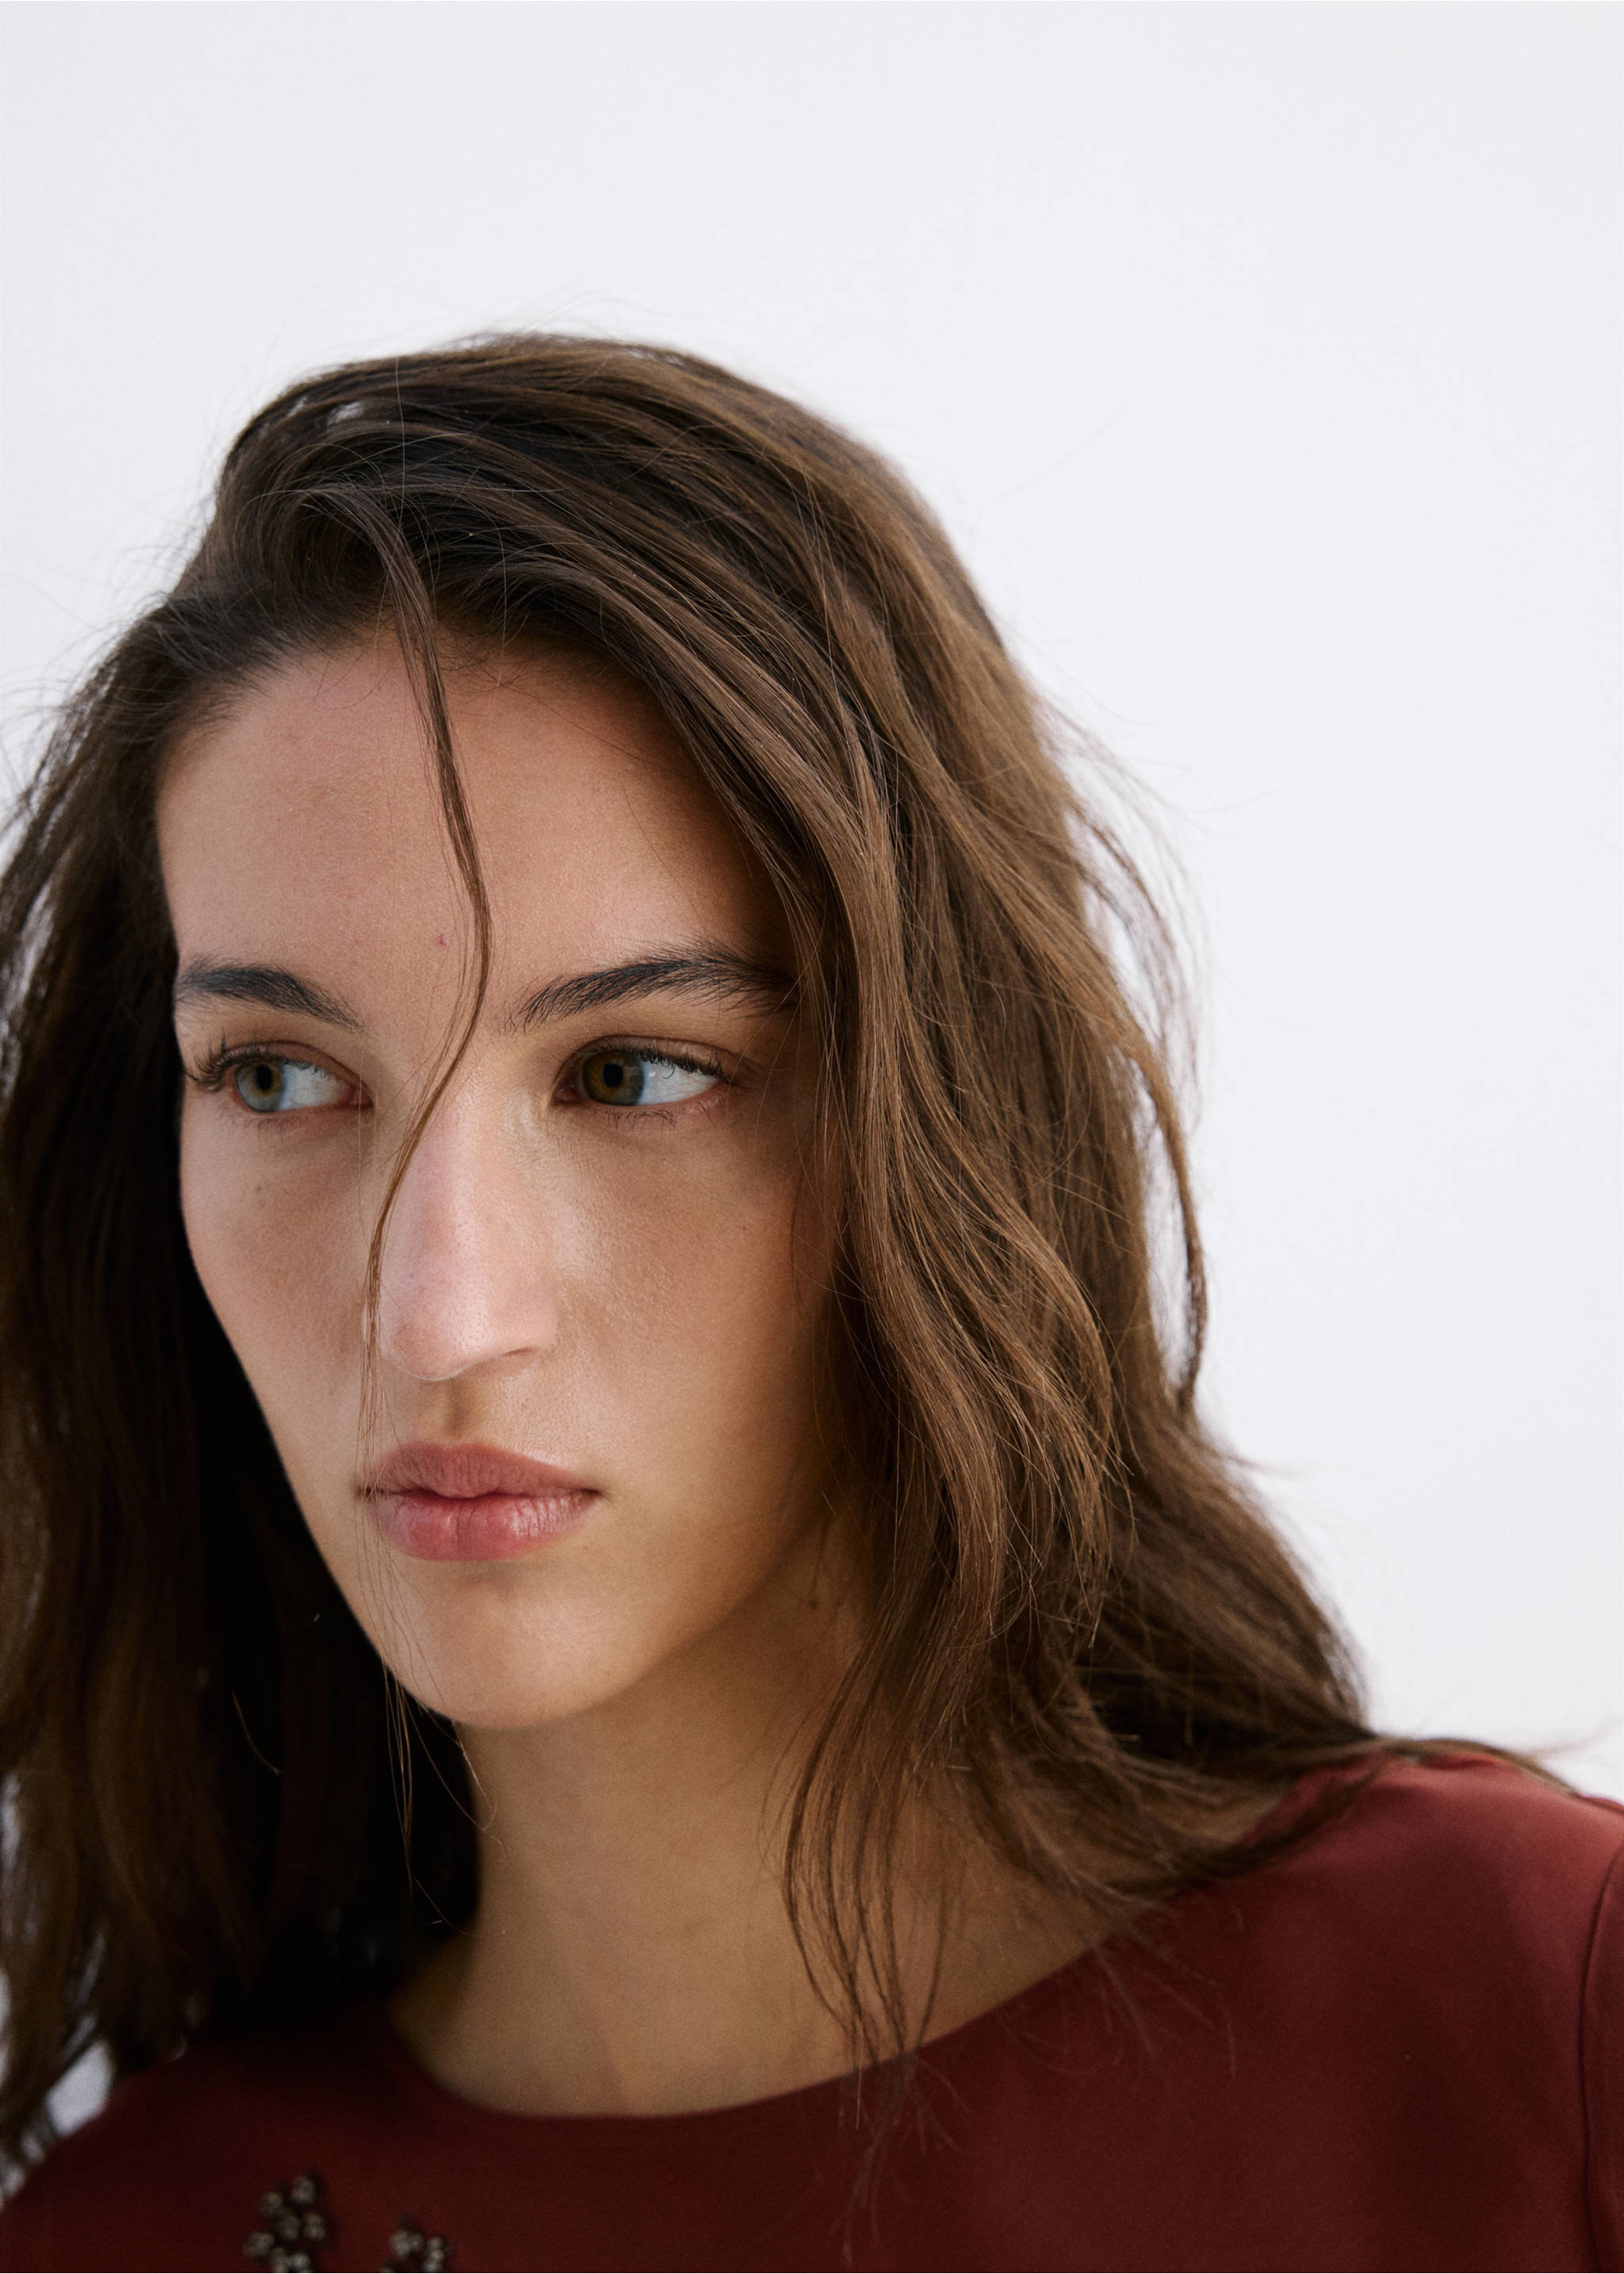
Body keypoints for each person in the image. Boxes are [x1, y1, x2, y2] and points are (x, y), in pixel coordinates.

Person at [0, 336, 1617, 2274]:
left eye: (635, 1073)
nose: (438, 1314)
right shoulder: (130, 2239)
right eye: (275, 1078)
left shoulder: (1533, 2020)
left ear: (941, 1121)